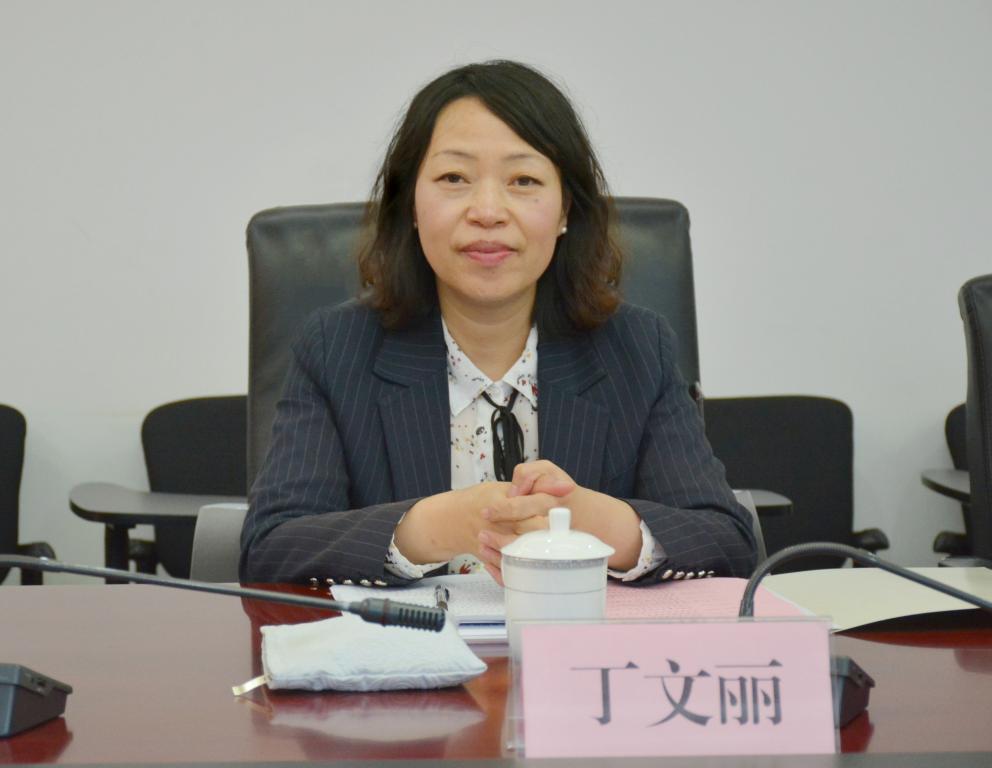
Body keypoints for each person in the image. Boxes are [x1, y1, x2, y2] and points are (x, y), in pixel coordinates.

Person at [239, 61, 756, 587]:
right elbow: (271, 547)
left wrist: (588, 521)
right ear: (411, 203)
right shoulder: (337, 350)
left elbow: (728, 542)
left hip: (576, 639)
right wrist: (437, 526)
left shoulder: (636, 349)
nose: (487, 211)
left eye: (524, 180)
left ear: (565, 209)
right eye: (454, 178)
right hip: (409, 641)